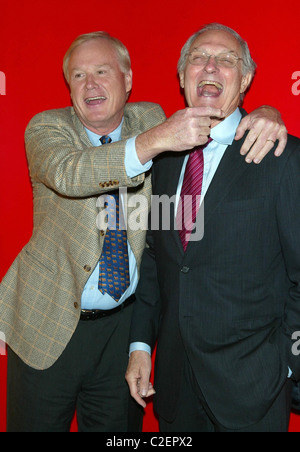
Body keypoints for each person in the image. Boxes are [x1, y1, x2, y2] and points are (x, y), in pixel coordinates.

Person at [0, 30, 288, 432]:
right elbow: (73, 173)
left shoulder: (151, 116)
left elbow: (221, 112)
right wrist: (154, 142)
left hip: (124, 327)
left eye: (102, 71)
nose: (91, 84)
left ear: (128, 79)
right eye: (79, 76)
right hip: (47, 324)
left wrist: (268, 114)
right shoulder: (48, 128)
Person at [126, 23, 300, 433]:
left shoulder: (282, 156)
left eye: (226, 60)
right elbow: (158, 265)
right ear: (183, 75)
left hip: (253, 389)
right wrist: (139, 347)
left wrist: (286, 365)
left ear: (246, 79)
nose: (210, 67)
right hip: (174, 388)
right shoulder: (164, 159)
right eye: (199, 58)